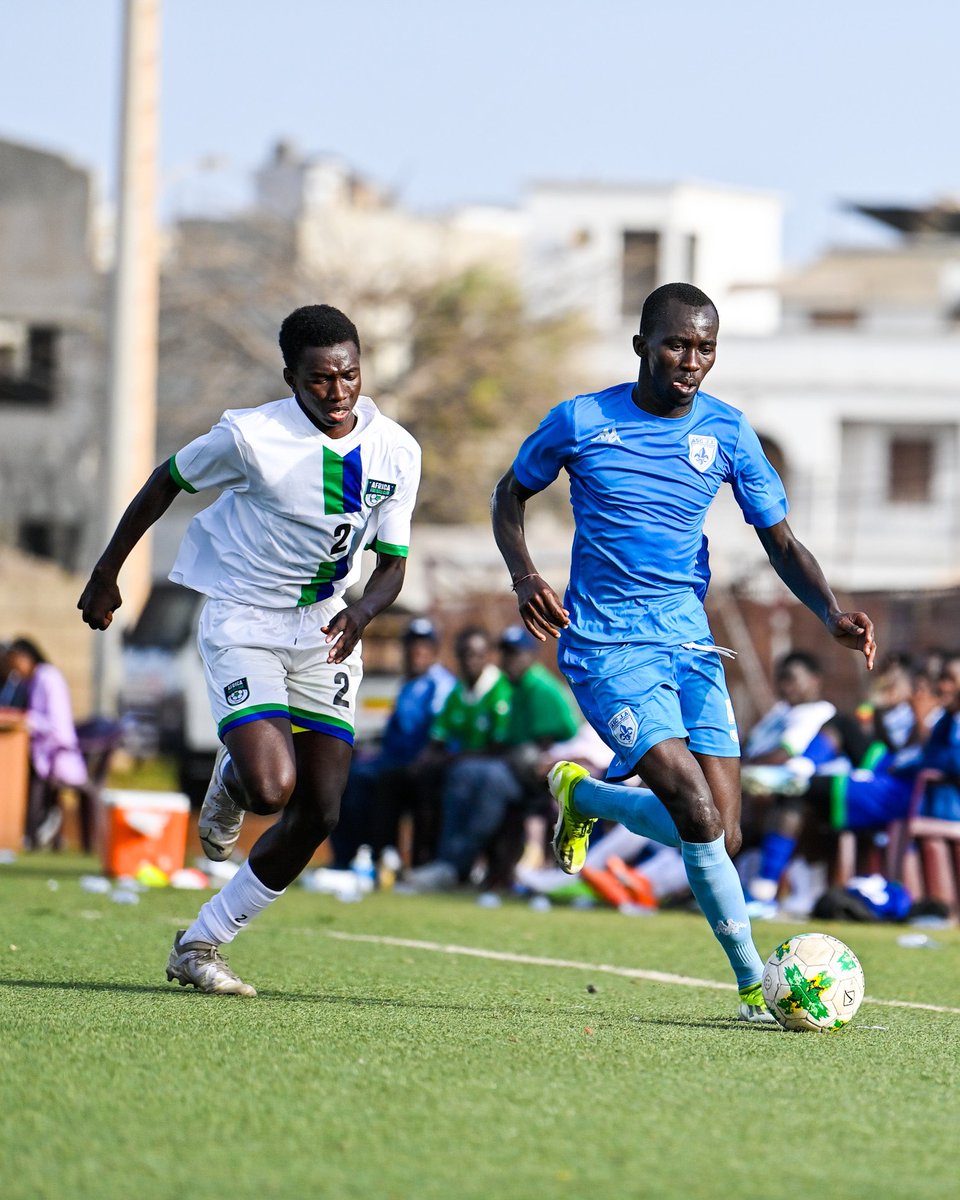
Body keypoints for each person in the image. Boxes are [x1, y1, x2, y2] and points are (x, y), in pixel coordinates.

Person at [491, 281, 876, 1023]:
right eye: (676, 344)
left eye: (705, 348)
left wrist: (830, 611)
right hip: (607, 645)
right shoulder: (580, 420)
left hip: (690, 645)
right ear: (642, 344)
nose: (690, 360)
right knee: (696, 813)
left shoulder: (728, 432)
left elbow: (782, 543)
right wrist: (525, 575)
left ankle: (584, 795)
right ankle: (752, 987)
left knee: (723, 834)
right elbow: (509, 495)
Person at [79, 304, 421, 996]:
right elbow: (165, 481)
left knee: (321, 810)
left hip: (326, 625)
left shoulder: (397, 449)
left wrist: (362, 611)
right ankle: (236, 782)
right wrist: (107, 571)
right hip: (243, 618)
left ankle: (201, 941)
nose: (338, 392)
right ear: (291, 375)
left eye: (349, 375)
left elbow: (392, 562)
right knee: (273, 787)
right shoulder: (250, 436)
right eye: (321, 379)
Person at [400, 624, 580, 891]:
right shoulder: (511, 687)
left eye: (517, 653)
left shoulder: (540, 688)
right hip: (519, 768)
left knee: (487, 779)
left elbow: (545, 746)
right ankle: (451, 862)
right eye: (506, 653)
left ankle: (457, 864)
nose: (510, 660)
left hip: (548, 777)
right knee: (465, 774)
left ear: (531, 656)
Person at [329, 616, 455, 867]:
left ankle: (380, 857)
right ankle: (349, 858)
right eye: (411, 645)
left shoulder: (439, 684)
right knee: (344, 778)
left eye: (423, 645)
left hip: (420, 766)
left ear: (434, 650)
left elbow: (438, 735)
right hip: (393, 759)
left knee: (380, 783)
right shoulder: (408, 683)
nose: (416, 651)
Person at [0, 637, 88, 849]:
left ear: (26, 657)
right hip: (39, 751)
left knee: (22, 773)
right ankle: (31, 829)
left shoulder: (48, 677)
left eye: (14, 662)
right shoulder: (29, 681)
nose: (13, 668)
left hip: (57, 752)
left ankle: (36, 827)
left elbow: (56, 726)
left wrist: (27, 720)